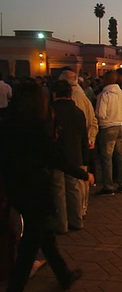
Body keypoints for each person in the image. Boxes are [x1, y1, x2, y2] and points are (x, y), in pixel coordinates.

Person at [0, 81, 93, 291]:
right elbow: (56, 159)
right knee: (30, 243)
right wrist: (84, 174)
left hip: (14, 188)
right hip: (35, 190)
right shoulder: (35, 128)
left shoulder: (5, 123)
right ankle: (15, 287)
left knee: (46, 237)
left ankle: (64, 275)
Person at [50, 80, 89, 233]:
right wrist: (85, 158)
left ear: (55, 93)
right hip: (75, 154)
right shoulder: (78, 112)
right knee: (74, 189)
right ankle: (77, 220)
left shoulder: (51, 111)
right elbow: (84, 137)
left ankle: (62, 224)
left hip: (57, 156)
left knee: (59, 190)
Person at [59, 70, 98, 220]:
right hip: (84, 141)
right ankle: (81, 208)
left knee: (76, 182)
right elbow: (93, 120)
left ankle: (77, 212)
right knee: (81, 180)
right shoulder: (83, 97)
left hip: (76, 143)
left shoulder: (73, 99)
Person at [95, 71, 122, 195]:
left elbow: (100, 113)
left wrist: (106, 119)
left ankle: (108, 185)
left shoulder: (104, 94)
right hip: (119, 126)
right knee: (120, 156)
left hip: (107, 127)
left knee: (107, 158)